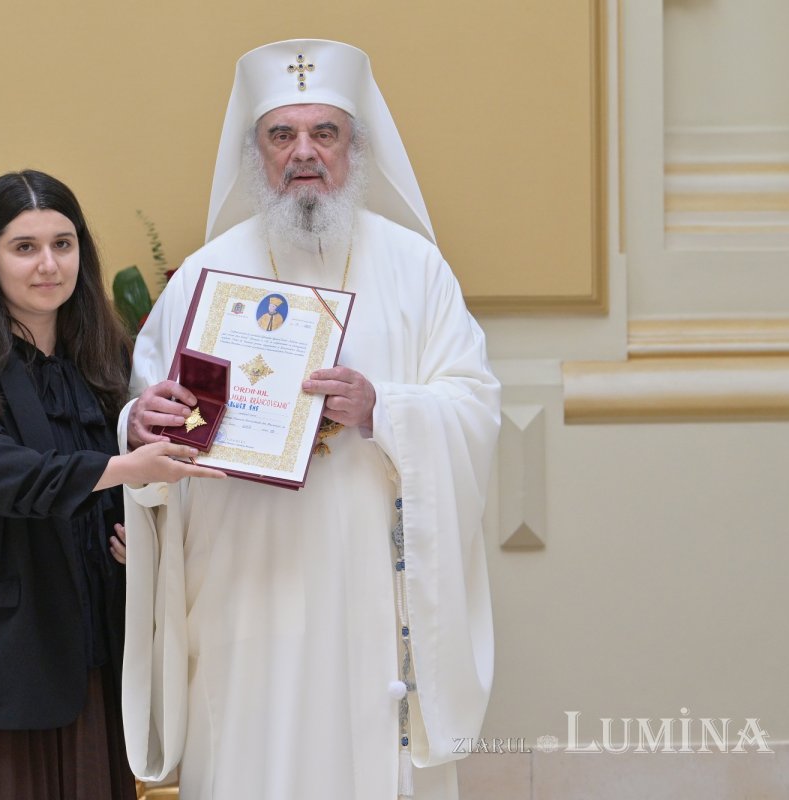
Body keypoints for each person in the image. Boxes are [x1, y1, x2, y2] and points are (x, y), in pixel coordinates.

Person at [118, 41, 501, 799]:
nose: (304, 154)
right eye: (281, 135)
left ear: (355, 149)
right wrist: (140, 420)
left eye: (324, 133)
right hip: (240, 590)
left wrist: (383, 409)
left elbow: (474, 405)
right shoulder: (204, 275)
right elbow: (151, 422)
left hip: (363, 585)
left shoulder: (416, 270)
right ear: (253, 153)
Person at [0, 170, 224, 800]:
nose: (48, 265)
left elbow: (118, 468)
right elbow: (9, 479)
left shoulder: (103, 354)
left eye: (63, 245)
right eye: (25, 247)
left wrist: (134, 528)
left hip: (87, 640)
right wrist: (129, 471)